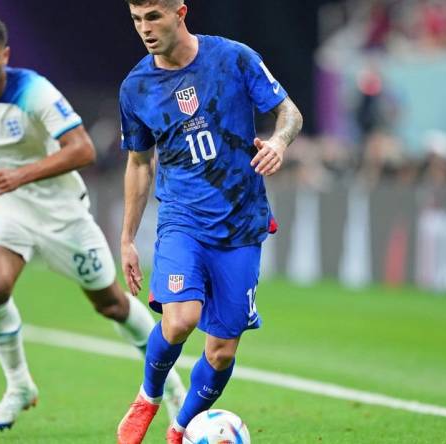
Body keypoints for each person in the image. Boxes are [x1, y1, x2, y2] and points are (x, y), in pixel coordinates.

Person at [0, 14, 186, 431]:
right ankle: (18, 385)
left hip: (62, 210)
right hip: (7, 209)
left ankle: (171, 388)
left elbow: (82, 151)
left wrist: (20, 174)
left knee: (112, 304)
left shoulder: (33, 90)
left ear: (5, 56)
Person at [115, 1, 303, 443]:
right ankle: (148, 396)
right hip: (182, 218)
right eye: (137, 20)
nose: (144, 28)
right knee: (179, 320)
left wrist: (278, 142)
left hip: (241, 224)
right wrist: (126, 239)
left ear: (180, 11)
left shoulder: (234, 57)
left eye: (153, 17)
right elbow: (139, 164)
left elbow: (289, 112)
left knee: (220, 352)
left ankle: (180, 430)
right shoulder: (136, 87)